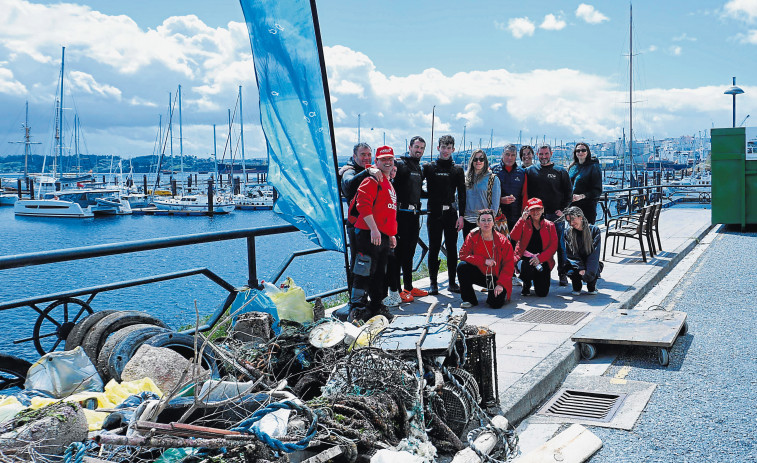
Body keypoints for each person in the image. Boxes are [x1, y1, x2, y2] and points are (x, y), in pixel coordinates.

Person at [335, 146, 398, 322]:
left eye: (390, 159)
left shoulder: (388, 183)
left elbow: (388, 212)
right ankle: (358, 309)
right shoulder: (371, 180)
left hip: (382, 236)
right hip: (368, 234)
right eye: (383, 159)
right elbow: (363, 205)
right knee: (363, 270)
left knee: (379, 273)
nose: (387, 162)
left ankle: (377, 305)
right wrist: (374, 229)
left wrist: (391, 234)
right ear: (376, 162)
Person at [423, 134, 466, 295]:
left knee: (452, 248)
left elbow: (462, 195)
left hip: (451, 214)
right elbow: (415, 184)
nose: (446, 150)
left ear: (453, 149)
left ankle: (452, 282)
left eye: (449, 148)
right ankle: (433, 283)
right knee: (433, 248)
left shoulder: (457, 169)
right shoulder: (429, 167)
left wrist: (461, 216)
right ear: (438, 148)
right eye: (443, 147)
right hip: (433, 213)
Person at [526, 145, 572, 286]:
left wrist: (563, 210)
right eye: (541, 154)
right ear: (537, 155)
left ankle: (562, 273)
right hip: (536, 217)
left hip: (556, 216)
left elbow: (569, 194)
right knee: (536, 246)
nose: (543, 156)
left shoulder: (561, 171)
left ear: (551, 154)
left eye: (546, 154)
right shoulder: (530, 171)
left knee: (559, 246)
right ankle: (539, 274)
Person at [392, 136, 429, 303]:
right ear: (410, 147)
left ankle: (408, 286)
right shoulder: (400, 164)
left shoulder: (418, 167)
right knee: (399, 253)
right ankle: (398, 290)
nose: (419, 150)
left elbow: (419, 191)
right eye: (416, 147)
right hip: (400, 214)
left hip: (415, 215)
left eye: (422, 148)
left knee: (410, 252)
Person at [457, 209, 513, 308]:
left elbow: (508, 265)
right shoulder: (472, 236)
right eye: (483, 220)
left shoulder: (503, 241)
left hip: (496, 278)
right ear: (478, 222)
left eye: (489, 220)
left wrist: (501, 284)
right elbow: (463, 255)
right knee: (462, 266)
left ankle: (497, 293)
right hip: (481, 274)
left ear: (493, 222)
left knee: (495, 304)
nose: (486, 223)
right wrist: (484, 261)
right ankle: (469, 300)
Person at [510, 198, 558, 297]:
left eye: (538, 209)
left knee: (542, 293)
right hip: (525, 259)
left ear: (543, 210)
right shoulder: (523, 223)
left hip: (542, 259)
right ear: (528, 211)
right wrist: (522, 219)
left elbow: (553, 246)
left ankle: (537, 279)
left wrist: (540, 259)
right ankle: (526, 283)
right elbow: (514, 237)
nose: (535, 212)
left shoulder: (550, 225)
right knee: (526, 266)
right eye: (532, 209)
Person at [339, 143, 373, 281]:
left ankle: (368, 295)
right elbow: (349, 183)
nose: (366, 158)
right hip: (356, 224)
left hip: (370, 224)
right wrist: (367, 172)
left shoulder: (368, 170)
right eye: (363, 154)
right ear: (354, 156)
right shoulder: (349, 171)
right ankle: (356, 300)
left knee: (370, 261)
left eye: (369, 154)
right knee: (358, 262)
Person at [562, 206, 602, 295]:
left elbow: (595, 253)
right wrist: (580, 268)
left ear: (580, 217)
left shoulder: (594, 230)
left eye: (573, 219)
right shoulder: (568, 232)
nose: (571, 223)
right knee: (571, 270)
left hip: (590, 260)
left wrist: (588, 273)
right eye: (568, 221)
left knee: (591, 288)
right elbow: (571, 254)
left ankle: (592, 285)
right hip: (576, 262)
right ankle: (576, 286)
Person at [462, 149, 500, 238]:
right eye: (475, 159)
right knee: (469, 251)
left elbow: (495, 205)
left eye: (481, 159)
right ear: (472, 161)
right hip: (467, 220)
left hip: (484, 222)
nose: (478, 161)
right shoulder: (465, 178)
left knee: (483, 250)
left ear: (485, 161)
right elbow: (459, 198)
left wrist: (488, 222)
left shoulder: (493, 179)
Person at [492, 144, 528, 235]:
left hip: (515, 216)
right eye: (507, 154)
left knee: (514, 245)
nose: (510, 158)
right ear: (502, 154)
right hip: (497, 216)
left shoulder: (522, 172)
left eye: (513, 155)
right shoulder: (492, 170)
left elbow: (525, 195)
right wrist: (500, 200)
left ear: (516, 156)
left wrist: (524, 216)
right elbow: (486, 194)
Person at [567, 143, 603, 224]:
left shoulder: (594, 167)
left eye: (583, 150)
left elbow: (598, 191)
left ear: (587, 152)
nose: (580, 152)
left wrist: (582, 196)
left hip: (587, 208)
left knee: (586, 234)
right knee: (572, 234)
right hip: (572, 207)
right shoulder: (572, 167)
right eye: (578, 150)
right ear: (575, 153)